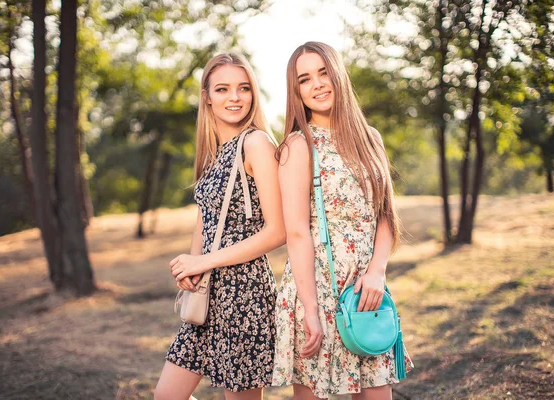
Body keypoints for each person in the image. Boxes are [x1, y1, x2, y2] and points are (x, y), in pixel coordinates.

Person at [272, 41, 413, 400]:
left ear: (338, 75)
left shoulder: (370, 139)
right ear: (297, 91)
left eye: (323, 73)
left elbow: (385, 215)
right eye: (305, 79)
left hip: (366, 288)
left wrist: (377, 272)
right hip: (315, 287)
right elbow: (297, 233)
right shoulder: (298, 145)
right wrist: (310, 309)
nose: (317, 84)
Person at [154, 53, 285, 400]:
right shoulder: (214, 152)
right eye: (223, 89)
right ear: (207, 97)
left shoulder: (256, 143)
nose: (235, 97)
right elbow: (206, 219)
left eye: (243, 88)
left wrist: (204, 262)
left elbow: (277, 231)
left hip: (246, 295)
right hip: (207, 292)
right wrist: (191, 266)